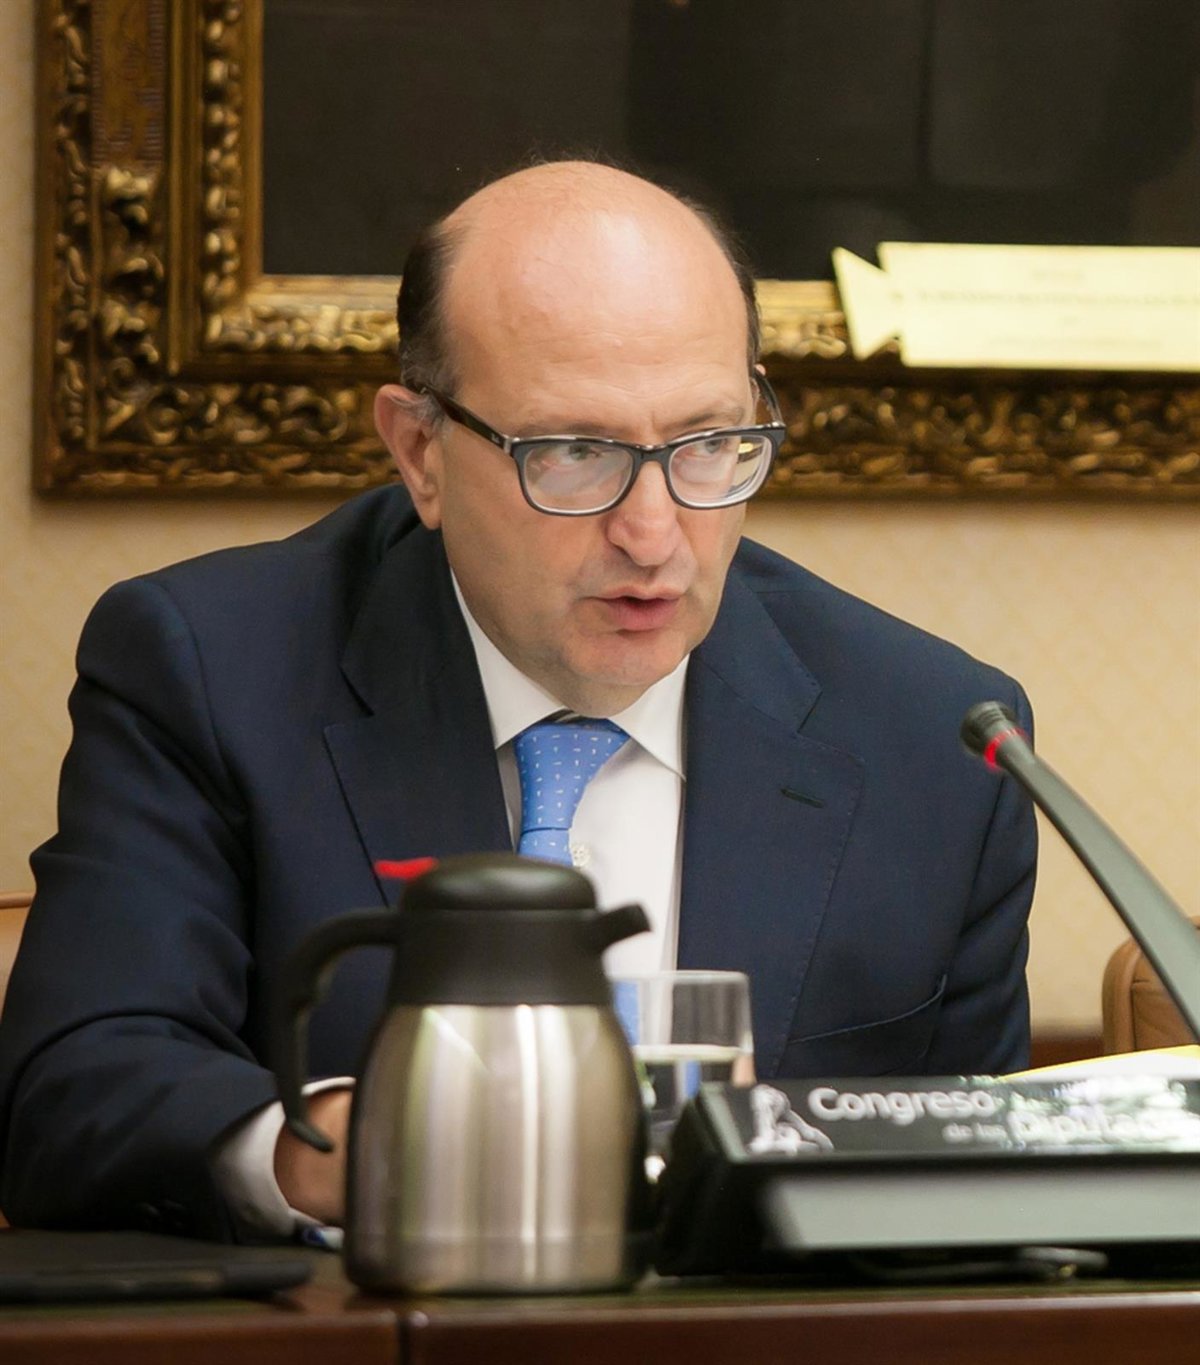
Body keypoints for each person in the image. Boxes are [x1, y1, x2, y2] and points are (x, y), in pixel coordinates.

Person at [0, 161, 1035, 1241]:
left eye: (705, 444)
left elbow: (988, 1209)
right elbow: (77, 1090)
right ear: (420, 452)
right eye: (575, 453)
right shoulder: (210, 670)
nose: (654, 535)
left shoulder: (937, 740)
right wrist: (358, 1152)